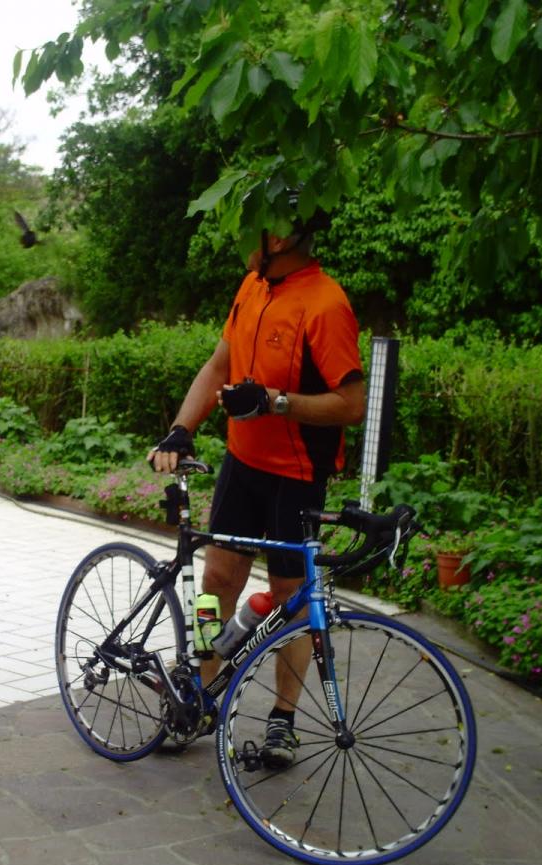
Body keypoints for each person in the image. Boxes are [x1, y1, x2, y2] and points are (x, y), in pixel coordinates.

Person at [148, 201, 365, 769]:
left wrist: (275, 402)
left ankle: (282, 720)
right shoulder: (253, 286)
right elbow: (219, 365)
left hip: (297, 475)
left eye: (252, 228)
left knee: (292, 602)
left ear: (281, 238)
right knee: (215, 582)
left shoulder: (326, 304)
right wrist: (180, 429)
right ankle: (197, 700)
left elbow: (352, 404)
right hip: (242, 464)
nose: (241, 238)